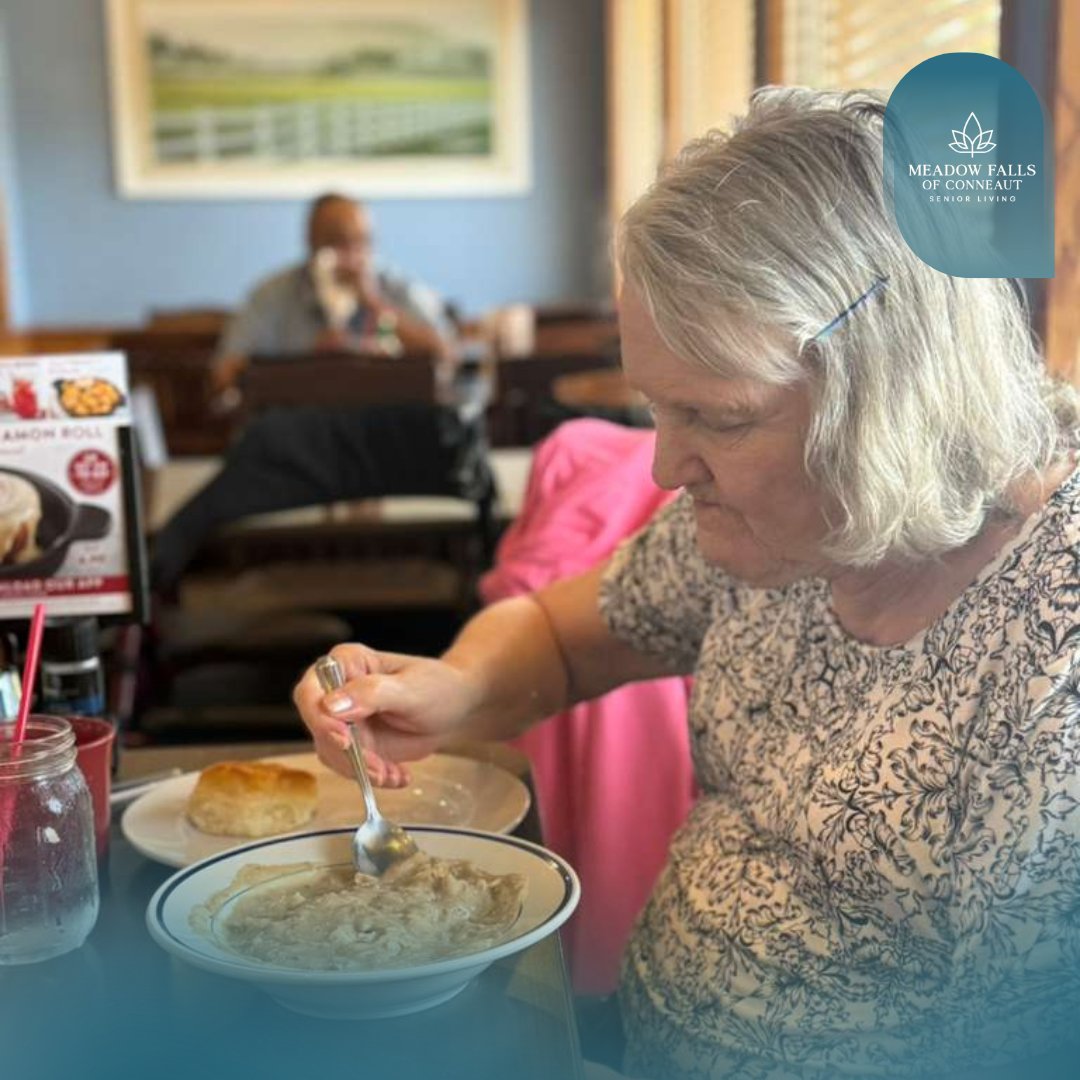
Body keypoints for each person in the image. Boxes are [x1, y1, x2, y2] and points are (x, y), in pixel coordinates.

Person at [293, 87, 1080, 1079]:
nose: (665, 469)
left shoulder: (1055, 646)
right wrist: (456, 689)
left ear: (893, 396)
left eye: (719, 418)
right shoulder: (795, 526)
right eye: (658, 411)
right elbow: (571, 633)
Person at [211, 192, 453, 398]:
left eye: (362, 242)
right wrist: (308, 365)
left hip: (383, 422)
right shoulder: (273, 296)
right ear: (311, 241)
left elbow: (445, 354)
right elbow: (225, 373)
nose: (352, 256)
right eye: (338, 241)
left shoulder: (393, 287)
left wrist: (373, 305)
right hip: (301, 426)